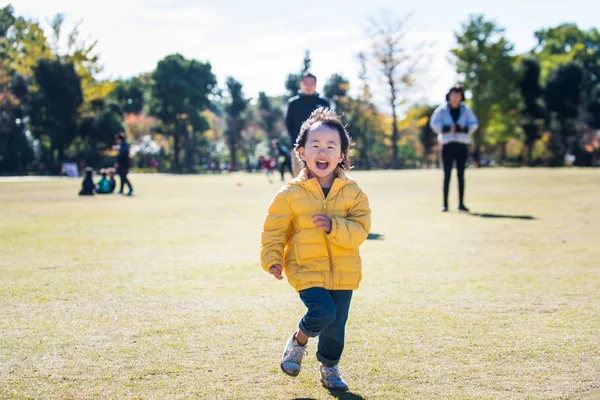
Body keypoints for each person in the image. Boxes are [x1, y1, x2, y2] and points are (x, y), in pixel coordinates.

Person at [261, 107, 371, 391]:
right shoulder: (289, 194)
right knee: (323, 312)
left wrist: (334, 226)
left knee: (336, 326)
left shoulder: (354, 193)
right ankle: (299, 341)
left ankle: (329, 368)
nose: (323, 152)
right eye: (316, 145)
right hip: (305, 266)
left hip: (343, 271)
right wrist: (272, 258)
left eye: (331, 146)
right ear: (301, 152)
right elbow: (274, 230)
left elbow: (360, 230)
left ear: (342, 155)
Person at [430, 86, 479, 212]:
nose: (455, 98)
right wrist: (447, 128)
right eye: (453, 95)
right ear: (449, 96)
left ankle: (461, 203)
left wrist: (464, 128)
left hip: (461, 144)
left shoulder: (466, 110)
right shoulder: (442, 110)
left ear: (461, 97)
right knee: (447, 174)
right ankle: (445, 204)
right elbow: (434, 124)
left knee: (461, 174)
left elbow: (474, 124)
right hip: (447, 144)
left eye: (458, 95)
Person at [285, 72, 330, 177]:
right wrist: (297, 140)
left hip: (321, 147)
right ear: (301, 85)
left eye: (312, 83)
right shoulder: (293, 103)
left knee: (320, 178)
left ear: (316, 85)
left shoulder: (323, 103)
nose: (309, 86)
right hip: (299, 147)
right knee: (299, 179)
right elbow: (289, 124)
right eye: (306, 83)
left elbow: (329, 124)